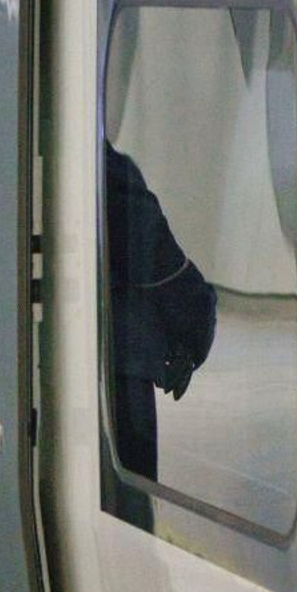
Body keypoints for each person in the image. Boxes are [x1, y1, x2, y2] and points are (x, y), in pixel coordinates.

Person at [104, 143, 217, 528]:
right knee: (128, 512)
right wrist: (197, 322)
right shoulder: (100, 165)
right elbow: (150, 251)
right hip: (119, 365)